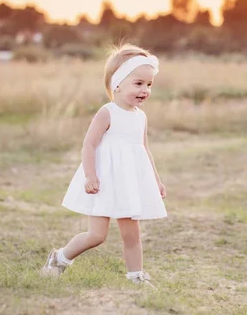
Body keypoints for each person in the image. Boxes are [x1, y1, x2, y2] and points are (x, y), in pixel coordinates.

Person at [41, 44, 167, 287]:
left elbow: (144, 149)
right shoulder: (107, 113)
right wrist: (90, 176)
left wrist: (156, 179)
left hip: (128, 183)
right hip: (104, 182)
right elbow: (89, 145)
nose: (145, 90)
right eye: (138, 83)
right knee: (97, 235)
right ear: (118, 83)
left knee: (132, 234)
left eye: (149, 85)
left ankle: (136, 277)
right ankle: (59, 258)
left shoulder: (140, 117)